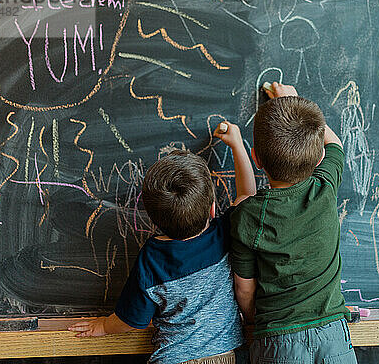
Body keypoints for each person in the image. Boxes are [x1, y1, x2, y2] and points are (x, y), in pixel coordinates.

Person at [69, 122, 256, 364]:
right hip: (223, 357)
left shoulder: (153, 258)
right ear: (212, 209)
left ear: (152, 217)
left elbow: (131, 320)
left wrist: (104, 326)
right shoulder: (224, 233)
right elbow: (248, 198)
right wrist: (237, 146)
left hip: (172, 359)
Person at [230, 82, 358, 363]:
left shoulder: (246, 217)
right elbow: (334, 143)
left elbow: (244, 290)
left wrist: (257, 320)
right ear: (320, 158)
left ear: (256, 158)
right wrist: (294, 101)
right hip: (333, 336)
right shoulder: (325, 188)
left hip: (277, 341)